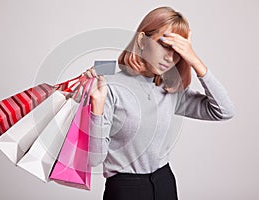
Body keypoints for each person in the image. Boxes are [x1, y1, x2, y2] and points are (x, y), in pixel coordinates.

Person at [84, 6, 234, 200]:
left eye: (178, 51)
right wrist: (96, 107)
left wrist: (195, 61)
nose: (170, 58)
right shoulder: (109, 86)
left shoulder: (170, 89)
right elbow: (94, 159)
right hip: (125, 190)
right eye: (165, 45)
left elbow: (224, 111)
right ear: (142, 40)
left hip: (165, 184)